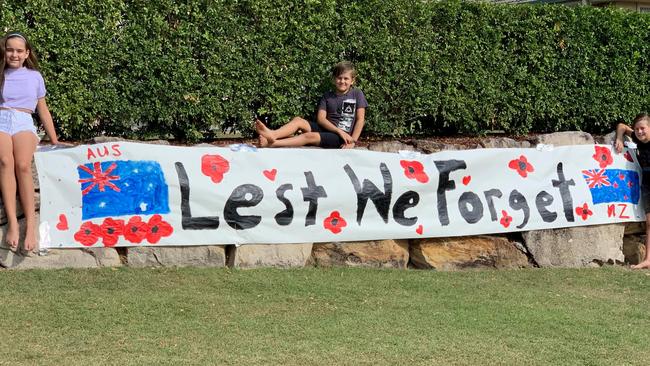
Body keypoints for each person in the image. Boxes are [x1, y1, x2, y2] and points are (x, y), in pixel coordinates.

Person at [1, 32, 60, 254]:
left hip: (23, 120)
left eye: (18, 50)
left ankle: (31, 227)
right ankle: (13, 225)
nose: (14, 54)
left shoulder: (35, 77)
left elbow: (42, 110)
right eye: (10, 50)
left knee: (23, 165)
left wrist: (54, 140)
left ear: (26, 53)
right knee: (6, 161)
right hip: (1, 119)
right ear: (4, 51)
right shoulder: (0, 74)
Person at [255, 61, 368, 149]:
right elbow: (321, 119)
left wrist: (352, 141)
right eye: (339, 78)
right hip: (331, 130)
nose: (342, 81)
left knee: (309, 136)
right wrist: (338, 130)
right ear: (334, 79)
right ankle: (273, 134)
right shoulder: (327, 96)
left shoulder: (357, 94)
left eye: (346, 78)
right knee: (298, 120)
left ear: (352, 80)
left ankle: (272, 144)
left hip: (342, 138)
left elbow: (360, 120)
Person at [615, 112, 650, 269]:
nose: (639, 132)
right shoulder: (638, 139)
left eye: (642, 128)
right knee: (649, 223)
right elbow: (621, 126)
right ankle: (648, 259)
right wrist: (619, 138)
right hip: (647, 183)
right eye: (636, 129)